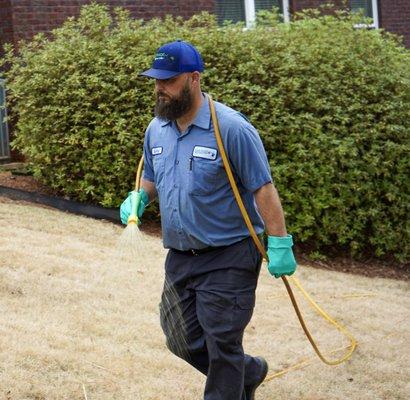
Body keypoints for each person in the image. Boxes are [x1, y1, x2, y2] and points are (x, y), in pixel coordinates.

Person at [120, 40, 297, 400]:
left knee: (221, 341)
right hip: (181, 255)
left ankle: (230, 376)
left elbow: (262, 187)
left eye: (169, 80)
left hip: (230, 254)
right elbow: (151, 176)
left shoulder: (230, 128)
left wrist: (279, 242)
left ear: (194, 79)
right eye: (156, 80)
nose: (159, 88)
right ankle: (249, 371)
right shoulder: (157, 128)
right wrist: (140, 197)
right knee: (179, 338)